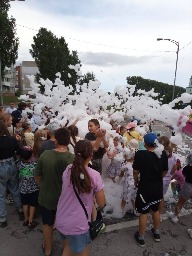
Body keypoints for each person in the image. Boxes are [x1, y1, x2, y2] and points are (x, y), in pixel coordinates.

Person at [55, 140, 106, 256]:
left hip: (61, 218)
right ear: (91, 155)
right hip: (77, 224)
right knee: (82, 250)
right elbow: (102, 203)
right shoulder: (94, 175)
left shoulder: (68, 169)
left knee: (69, 245)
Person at [35, 127, 74, 256]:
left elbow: (38, 177)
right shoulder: (72, 159)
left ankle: (48, 250)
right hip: (66, 200)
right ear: (68, 142)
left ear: (55, 140)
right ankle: (65, 250)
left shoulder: (45, 155)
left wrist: (44, 185)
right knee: (66, 226)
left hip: (46, 197)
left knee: (47, 223)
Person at [133, 133, 168, 247]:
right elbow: (165, 171)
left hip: (144, 188)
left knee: (144, 213)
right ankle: (157, 233)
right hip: (157, 187)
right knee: (155, 210)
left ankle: (141, 237)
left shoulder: (140, 154)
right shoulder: (163, 154)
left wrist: (136, 181)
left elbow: (135, 171)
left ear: (145, 144)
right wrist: (158, 179)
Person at [0, 121, 24, 228]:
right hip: (12, 164)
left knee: (1, 194)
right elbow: (19, 151)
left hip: (1, 167)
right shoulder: (11, 139)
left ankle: (2, 218)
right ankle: (20, 210)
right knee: (15, 188)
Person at [18, 147, 39, 228]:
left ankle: (25, 219)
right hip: (34, 189)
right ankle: (31, 221)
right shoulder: (35, 165)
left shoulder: (19, 164)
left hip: (23, 189)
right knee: (33, 205)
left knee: (25, 204)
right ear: (31, 156)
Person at [171, 152, 192, 224]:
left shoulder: (187, 168)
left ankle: (175, 216)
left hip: (187, 186)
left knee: (180, 203)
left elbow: (184, 174)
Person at [158, 136, 177, 217]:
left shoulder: (160, 156)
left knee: (157, 196)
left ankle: (158, 214)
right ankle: (159, 213)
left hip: (160, 179)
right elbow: (174, 170)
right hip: (168, 179)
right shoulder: (173, 157)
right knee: (160, 196)